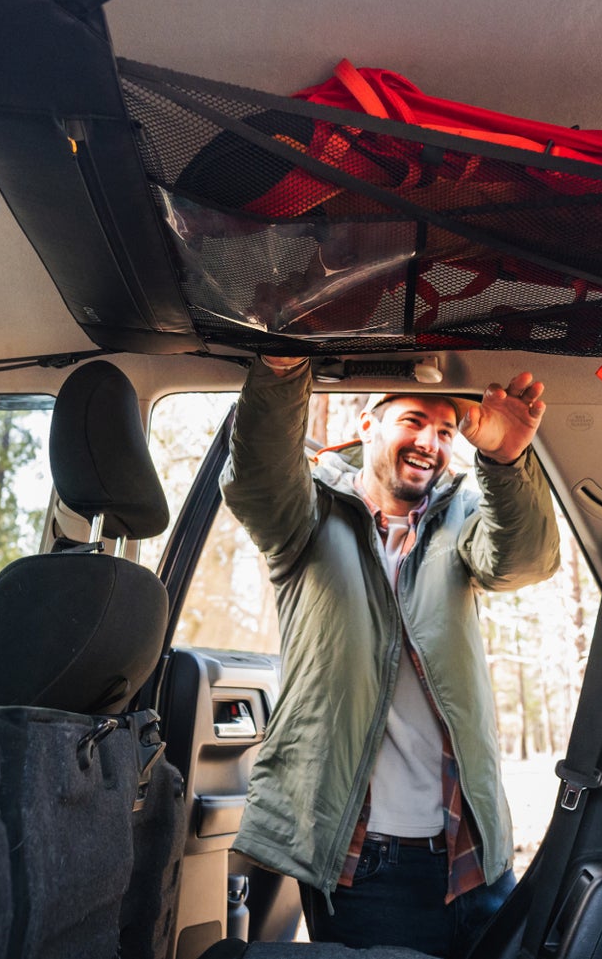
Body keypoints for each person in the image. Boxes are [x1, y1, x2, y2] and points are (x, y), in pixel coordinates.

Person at [221, 354, 560, 958]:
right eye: (413, 420)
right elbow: (259, 477)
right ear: (367, 422)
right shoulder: (308, 516)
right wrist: (279, 371)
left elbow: (524, 558)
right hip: (364, 870)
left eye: (447, 431)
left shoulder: (460, 518)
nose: (430, 442)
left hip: (475, 860)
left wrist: (507, 461)